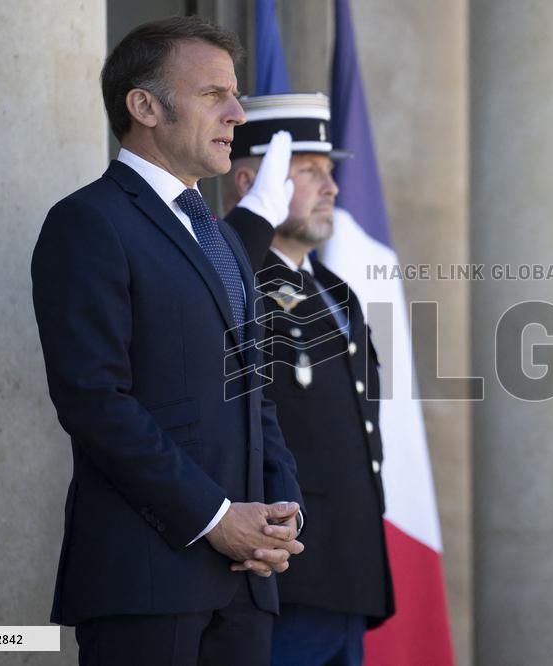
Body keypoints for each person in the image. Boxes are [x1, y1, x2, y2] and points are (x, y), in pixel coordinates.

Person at [31, 17, 306, 666]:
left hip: (246, 587)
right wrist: (216, 518)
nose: (237, 115)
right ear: (145, 106)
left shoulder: (221, 237)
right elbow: (95, 401)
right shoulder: (88, 222)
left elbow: (254, 394)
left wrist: (283, 508)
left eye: (234, 95)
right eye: (214, 94)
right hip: (147, 582)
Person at [223, 93, 394, 666]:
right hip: (282, 573)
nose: (332, 187)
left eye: (329, 171)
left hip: (347, 572)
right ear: (251, 183)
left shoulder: (336, 292)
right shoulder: (232, 281)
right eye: (308, 171)